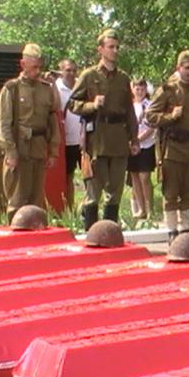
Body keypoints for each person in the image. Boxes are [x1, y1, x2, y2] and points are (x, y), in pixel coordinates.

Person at [68, 29, 139, 229]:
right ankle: (90, 231)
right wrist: (91, 105)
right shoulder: (89, 75)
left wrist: (134, 138)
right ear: (100, 49)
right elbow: (72, 104)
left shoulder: (123, 78)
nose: (115, 51)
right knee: (93, 190)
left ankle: (109, 231)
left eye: (117, 47)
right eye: (110, 47)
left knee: (115, 190)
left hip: (118, 137)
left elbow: (130, 111)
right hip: (97, 139)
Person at [146, 50, 189, 240]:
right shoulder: (168, 90)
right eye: (187, 68)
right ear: (179, 68)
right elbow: (150, 116)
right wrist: (170, 116)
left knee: (188, 192)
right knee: (171, 193)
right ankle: (172, 231)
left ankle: (185, 230)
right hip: (172, 149)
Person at [0, 43, 60, 221]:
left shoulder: (45, 89)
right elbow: (3, 123)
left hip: (39, 149)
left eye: (39, 67)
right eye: (33, 67)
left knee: (36, 202)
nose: (37, 71)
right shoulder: (12, 89)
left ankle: (34, 234)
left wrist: (53, 151)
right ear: (23, 64)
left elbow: (52, 120)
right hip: (20, 149)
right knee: (17, 200)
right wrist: (10, 151)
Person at [127, 78, 156, 219]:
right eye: (137, 89)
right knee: (134, 176)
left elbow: (152, 127)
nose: (139, 92)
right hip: (131, 146)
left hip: (146, 144)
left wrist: (138, 139)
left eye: (142, 89)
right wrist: (131, 141)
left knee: (145, 177)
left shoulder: (150, 106)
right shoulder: (129, 106)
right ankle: (141, 209)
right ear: (132, 89)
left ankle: (150, 209)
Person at [55, 59, 80, 209]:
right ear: (61, 71)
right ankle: (69, 209)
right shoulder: (56, 88)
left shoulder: (81, 86)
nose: (71, 73)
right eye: (68, 70)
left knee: (90, 177)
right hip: (66, 141)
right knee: (67, 177)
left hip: (83, 140)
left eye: (74, 70)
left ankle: (87, 211)